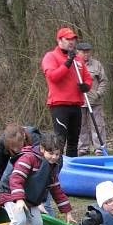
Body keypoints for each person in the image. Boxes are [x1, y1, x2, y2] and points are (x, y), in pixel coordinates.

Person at [0, 133, 75, 225]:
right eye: (51, 154)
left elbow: (56, 190)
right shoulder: (28, 158)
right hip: (11, 194)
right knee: (20, 220)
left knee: (37, 223)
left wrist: (67, 212)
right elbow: (16, 179)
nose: (54, 157)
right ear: (42, 149)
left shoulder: (52, 166)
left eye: (57, 154)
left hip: (30, 199)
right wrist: (19, 199)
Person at [41, 27, 92, 157]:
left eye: (73, 39)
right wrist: (67, 63)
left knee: (74, 142)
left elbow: (87, 77)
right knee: (60, 141)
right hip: (60, 105)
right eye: (68, 39)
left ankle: (71, 169)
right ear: (59, 40)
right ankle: (57, 170)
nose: (71, 42)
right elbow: (53, 77)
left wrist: (86, 86)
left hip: (76, 105)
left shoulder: (78, 59)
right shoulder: (51, 56)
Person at [0, 122, 42, 208]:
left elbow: (42, 172)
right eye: (12, 147)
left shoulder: (36, 141)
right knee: (9, 175)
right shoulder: (3, 141)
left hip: (41, 170)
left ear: (24, 137)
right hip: (21, 167)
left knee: (40, 204)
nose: (16, 150)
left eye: (18, 146)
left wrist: (39, 199)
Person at [75, 42, 108, 155]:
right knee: (81, 125)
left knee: (98, 124)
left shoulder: (96, 64)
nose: (86, 54)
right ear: (78, 52)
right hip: (78, 102)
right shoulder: (73, 64)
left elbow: (103, 81)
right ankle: (82, 147)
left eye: (88, 51)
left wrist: (98, 93)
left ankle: (99, 148)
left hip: (95, 101)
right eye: (84, 52)